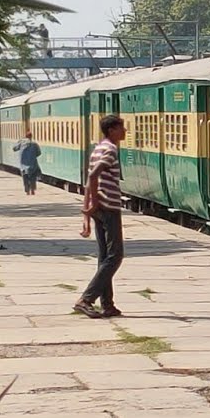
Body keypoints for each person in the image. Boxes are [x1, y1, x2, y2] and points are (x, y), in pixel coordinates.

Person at [73, 115, 127, 319]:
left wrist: (88, 209)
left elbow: (89, 179)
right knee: (115, 255)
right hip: (108, 207)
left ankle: (108, 304)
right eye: (122, 128)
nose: (125, 132)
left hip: (100, 207)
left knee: (105, 257)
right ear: (112, 130)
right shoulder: (110, 150)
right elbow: (94, 175)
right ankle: (86, 299)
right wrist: (95, 203)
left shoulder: (98, 148)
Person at [12, 131, 41, 195]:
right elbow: (39, 153)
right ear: (31, 137)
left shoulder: (21, 143)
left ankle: (27, 190)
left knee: (25, 177)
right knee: (33, 177)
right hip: (33, 163)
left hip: (23, 164)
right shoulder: (34, 144)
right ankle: (33, 189)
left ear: (25, 136)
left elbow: (14, 148)